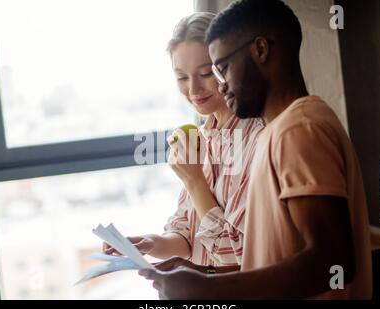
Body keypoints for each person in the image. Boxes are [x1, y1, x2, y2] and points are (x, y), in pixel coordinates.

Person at [140, 0, 372, 300]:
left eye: (221, 68)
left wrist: (209, 288)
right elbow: (269, 260)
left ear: (260, 50)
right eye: (182, 76)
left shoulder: (298, 130)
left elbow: (331, 263)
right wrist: (205, 273)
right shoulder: (282, 130)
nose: (220, 86)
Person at [104, 12, 264, 269]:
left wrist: (194, 179)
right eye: (181, 77)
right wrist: (149, 243)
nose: (193, 90)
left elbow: (235, 254)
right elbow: (187, 236)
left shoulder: (257, 139)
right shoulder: (201, 137)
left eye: (205, 74)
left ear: (226, 68)